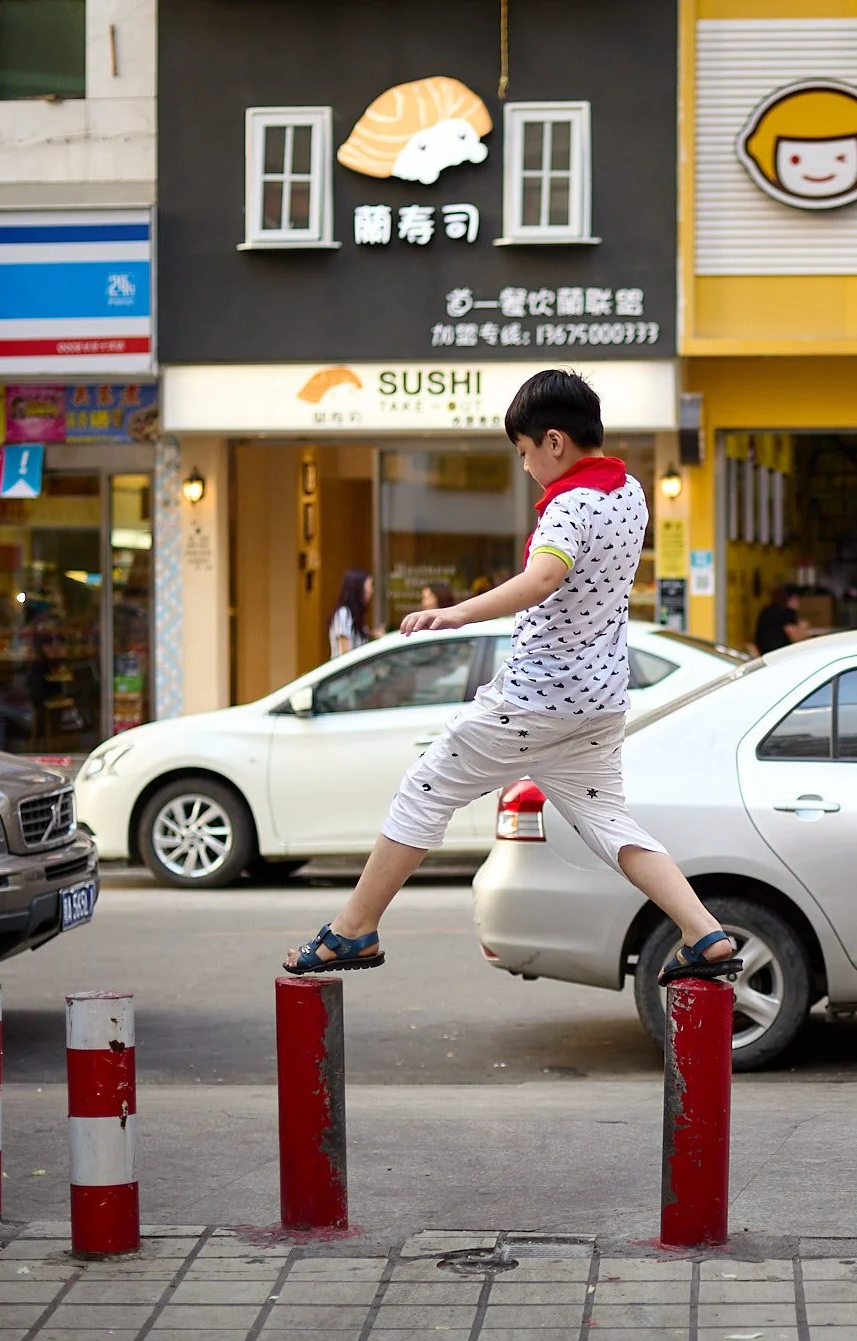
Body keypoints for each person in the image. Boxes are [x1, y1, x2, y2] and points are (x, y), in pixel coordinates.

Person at [283, 369, 746, 988]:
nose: (526, 466)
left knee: (425, 789)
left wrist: (457, 612)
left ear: (554, 441)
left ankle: (355, 928)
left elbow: (542, 578)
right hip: (600, 699)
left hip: (536, 698)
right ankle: (703, 932)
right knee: (609, 822)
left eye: (525, 452)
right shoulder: (631, 493)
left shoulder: (570, 505)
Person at [753, 584, 811, 655]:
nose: (799, 602)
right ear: (791, 599)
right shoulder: (786, 612)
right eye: (797, 599)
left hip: (765, 652)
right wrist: (804, 628)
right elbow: (797, 639)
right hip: (779, 653)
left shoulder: (768, 610)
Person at [330, 569, 374, 658]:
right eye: (369, 586)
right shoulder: (344, 614)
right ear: (358, 589)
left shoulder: (356, 616)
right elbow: (344, 653)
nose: (371, 591)